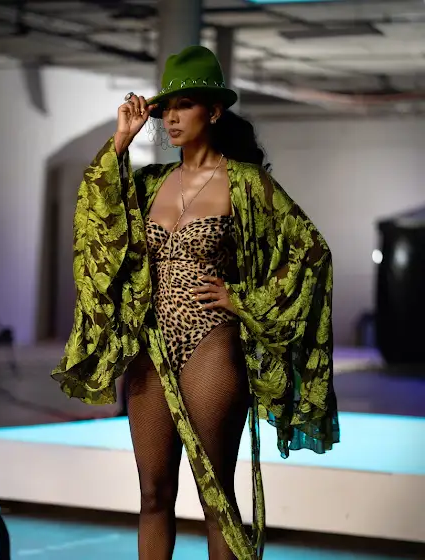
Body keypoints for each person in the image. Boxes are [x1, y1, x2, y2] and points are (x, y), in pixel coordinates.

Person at [52, 45, 339, 560]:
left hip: (211, 344)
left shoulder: (247, 183)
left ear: (214, 111)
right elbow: (94, 218)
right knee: (153, 495)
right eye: (165, 108)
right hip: (150, 347)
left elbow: (312, 251)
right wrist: (121, 140)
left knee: (216, 499)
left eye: (184, 105)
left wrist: (244, 299)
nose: (171, 118)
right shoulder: (148, 183)